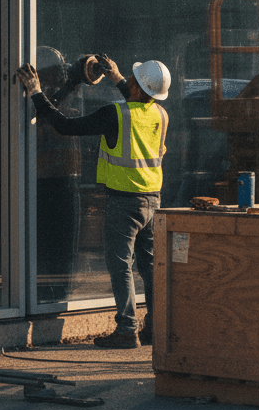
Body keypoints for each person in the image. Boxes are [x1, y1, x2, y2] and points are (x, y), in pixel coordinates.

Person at [18, 55, 171, 348]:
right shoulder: (161, 115)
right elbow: (138, 101)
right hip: (153, 201)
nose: (129, 81)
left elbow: (65, 126)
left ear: (137, 85)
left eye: (132, 79)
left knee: (120, 266)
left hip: (124, 203)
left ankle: (127, 329)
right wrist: (116, 78)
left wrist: (36, 92)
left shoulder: (115, 114)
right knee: (149, 266)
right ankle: (155, 327)